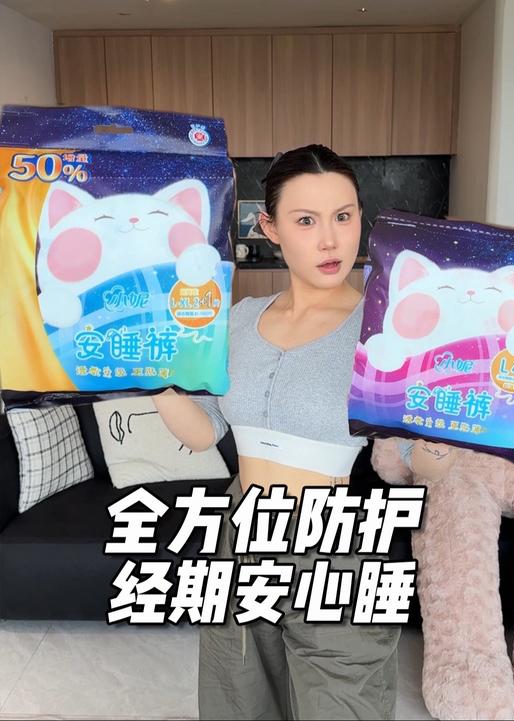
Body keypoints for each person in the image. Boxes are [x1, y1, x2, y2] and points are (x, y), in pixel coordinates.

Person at [153, 145, 401, 720]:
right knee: (238, 698)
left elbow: (413, 459)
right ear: (271, 228)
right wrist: (154, 379)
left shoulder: (384, 336)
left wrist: (453, 438)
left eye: (343, 216)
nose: (330, 240)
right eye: (306, 221)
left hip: (335, 544)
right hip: (240, 533)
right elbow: (204, 430)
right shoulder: (238, 320)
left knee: (342, 703)